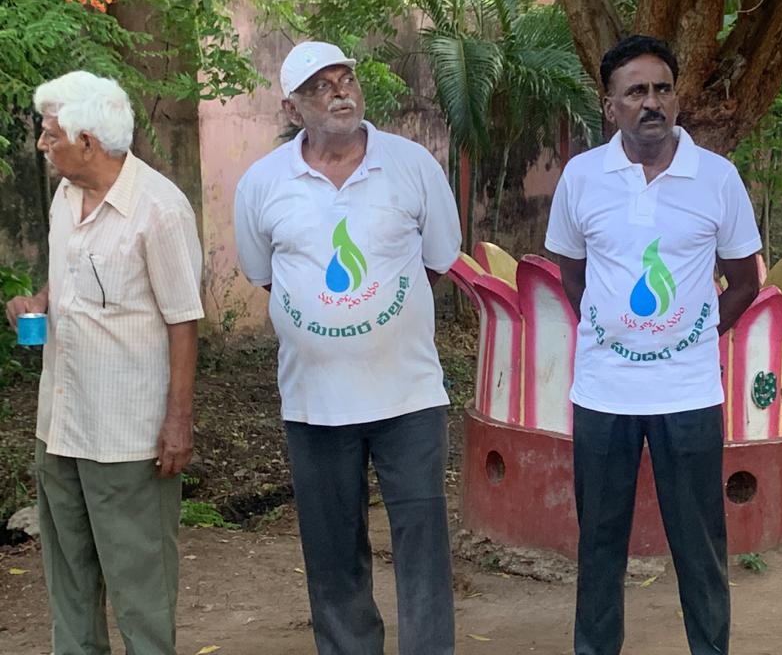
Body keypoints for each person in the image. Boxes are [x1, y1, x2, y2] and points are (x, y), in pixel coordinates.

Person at [234, 41, 462, 655]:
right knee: (332, 552)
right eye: (320, 86)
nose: (340, 92)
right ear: (292, 109)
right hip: (314, 402)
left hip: (408, 395)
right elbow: (266, 275)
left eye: (346, 79)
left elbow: (438, 260)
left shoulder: (411, 164)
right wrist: (329, 318)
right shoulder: (262, 183)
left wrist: (372, 315)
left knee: (422, 544)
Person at [545, 34, 762, 655]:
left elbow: (745, 281)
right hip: (603, 394)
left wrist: (692, 336)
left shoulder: (716, 178)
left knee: (700, 545)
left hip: (688, 395)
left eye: (662, 89)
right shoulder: (582, 177)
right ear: (609, 105)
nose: (651, 102)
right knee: (599, 543)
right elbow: (571, 272)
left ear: (676, 98)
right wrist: (614, 333)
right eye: (635, 91)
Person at [4, 71, 203, 655]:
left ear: (88, 141)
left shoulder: (159, 209)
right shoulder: (66, 197)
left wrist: (178, 422)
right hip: (61, 424)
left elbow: (183, 321)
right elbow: (72, 278)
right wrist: (39, 303)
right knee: (68, 585)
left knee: (141, 590)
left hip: (127, 437)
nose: (42, 143)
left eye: (51, 134)